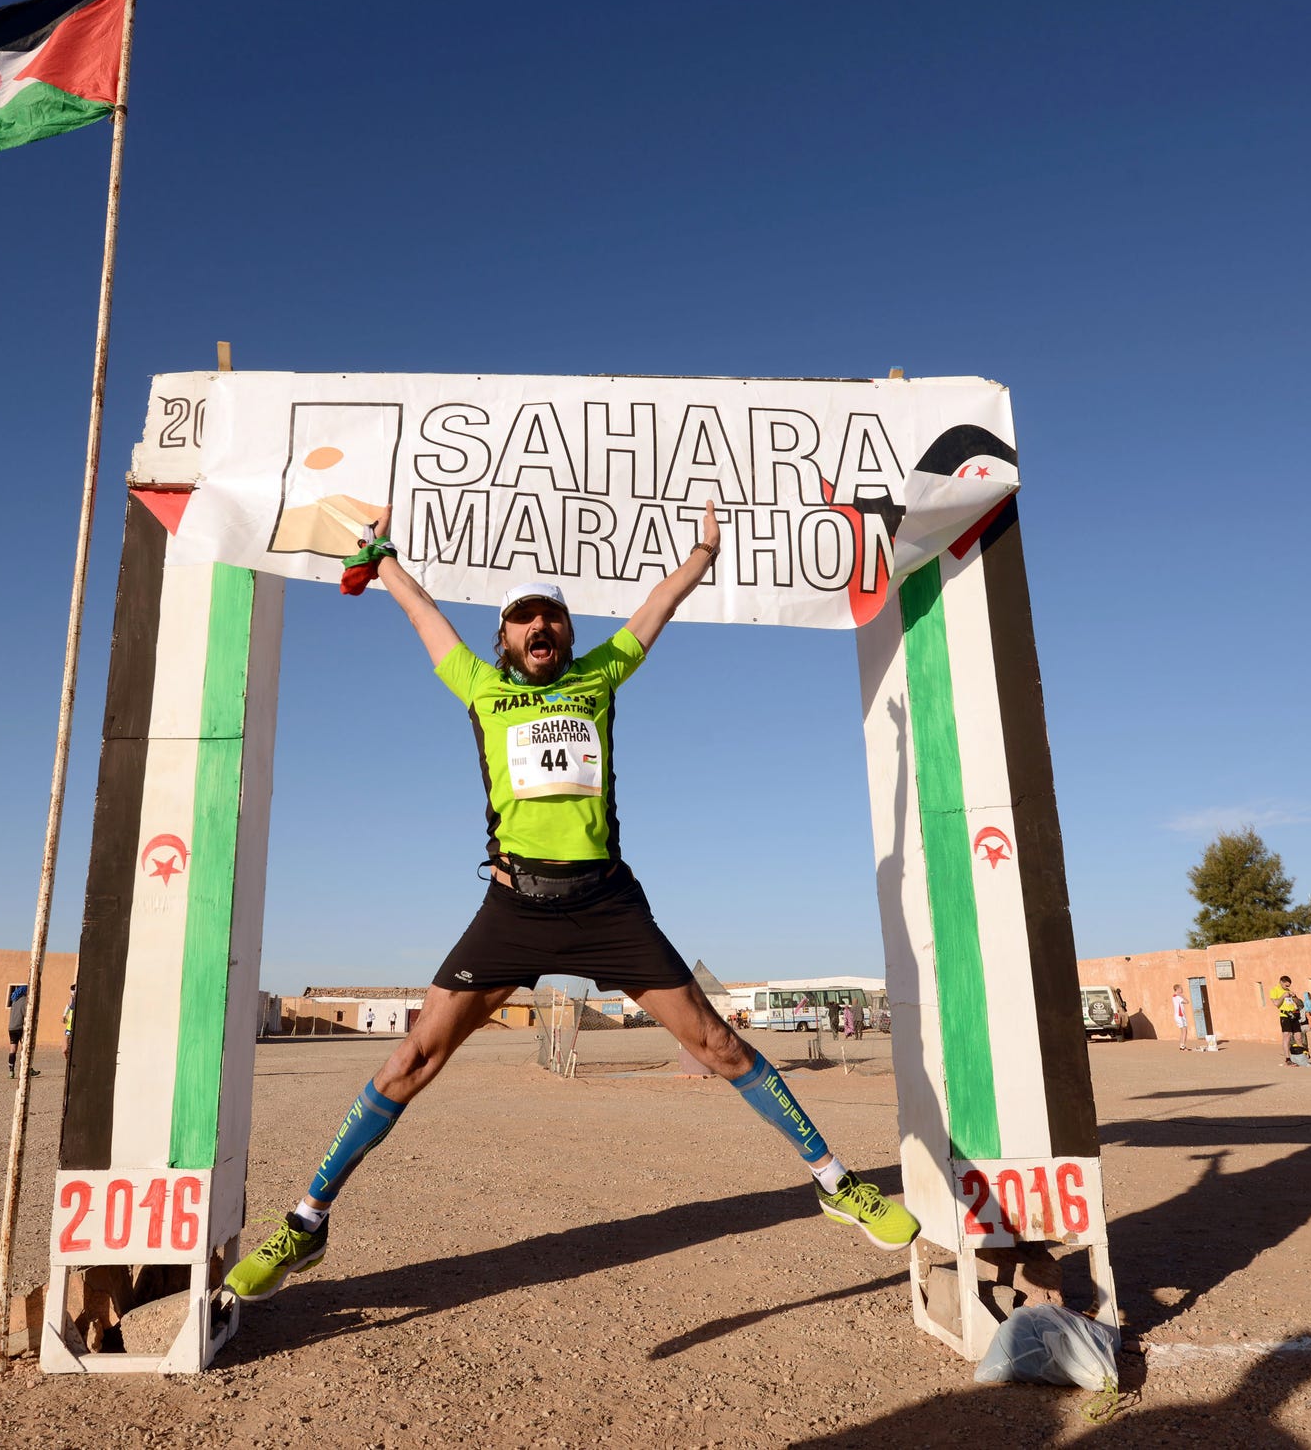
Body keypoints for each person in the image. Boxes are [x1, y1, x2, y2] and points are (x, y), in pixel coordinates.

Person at [223, 504, 919, 1301]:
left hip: (606, 906)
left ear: (566, 631)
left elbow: (654, 612)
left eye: (550, 614)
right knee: (410, 1057)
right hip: (514, 907)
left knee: (721, 1046)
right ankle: (306, 1225)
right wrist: (381, 561)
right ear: (506, 636)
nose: (539, 625)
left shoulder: (600, 677)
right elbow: (425, 616)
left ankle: (835, 1182)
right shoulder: (479, 686)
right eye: (523, 617)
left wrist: (701, 553)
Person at [1272, 976, 1311, 1067]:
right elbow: (1276, 1003)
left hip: (1294, 1015)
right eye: (1286, 985)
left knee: (1298, 1037)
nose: (1287, 987)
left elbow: (1299, 1003)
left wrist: (1295, 997)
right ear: (1281, 982)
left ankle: (1302, 1057)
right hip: (1285, 1016)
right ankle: (1287, 1059)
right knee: (1287, 1036)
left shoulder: (1289, 990)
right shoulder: (1275, 990)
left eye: (1288, 986)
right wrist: (1283, 996)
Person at [6, 986, 39, 1078]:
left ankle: (11, 1071)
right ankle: (28, 1069)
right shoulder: (26, 1001)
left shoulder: (14, 1001)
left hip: (12, 1028)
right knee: (25, 1048)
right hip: (21, 1027)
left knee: (13, 1049)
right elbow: (27, 1014)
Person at [1172, 985, 1189, 1050]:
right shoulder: (1178, 997)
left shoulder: (1174, 996)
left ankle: (1181, 1045)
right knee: (1184, 1031)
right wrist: (1183, 996)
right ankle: (1182, 1046)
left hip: (1179, 1016)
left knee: (1183, 1031)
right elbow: (1187, 1002)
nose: (1182, 990)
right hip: (1180, 1016)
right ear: (1178, 989)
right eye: (1181, 988)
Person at [61, 986, 75, 1059]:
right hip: (69, 1026)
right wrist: (64, 1016)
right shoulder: (71, 1000)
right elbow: (68, 1007)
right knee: (65, 1049)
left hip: (77, 1026)